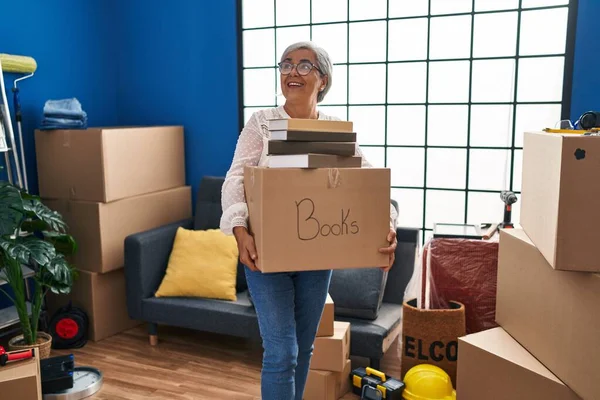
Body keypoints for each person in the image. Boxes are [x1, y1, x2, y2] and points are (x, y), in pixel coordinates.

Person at [220, 41, 398, 400]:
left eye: (304, 66)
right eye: (286, 65)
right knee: (282, 352)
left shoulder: (336, 129)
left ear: (323, 80)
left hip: (316, 258)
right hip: (265, 255)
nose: (292, 72)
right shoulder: (262, 123)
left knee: (303, 349)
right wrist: (240, 231)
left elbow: (367, 182)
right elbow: (236, 178)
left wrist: (386, 223)